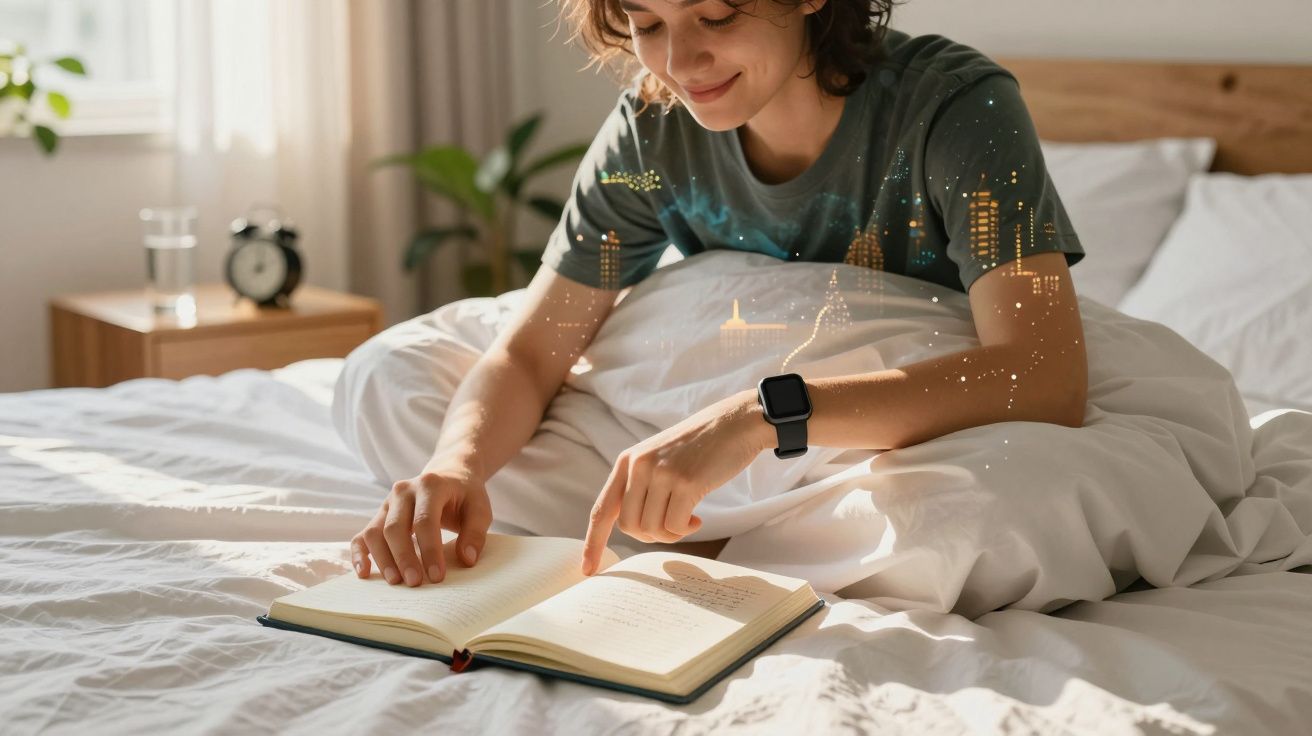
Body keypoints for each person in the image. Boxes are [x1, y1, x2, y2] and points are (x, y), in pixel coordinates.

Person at [348, 0, 1088, 587]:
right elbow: (533, 352)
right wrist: (456, 469)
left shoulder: (954, 110)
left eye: (715, 17)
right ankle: (744, 540)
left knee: (986, 506)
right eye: (646, 23)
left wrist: (758, 416)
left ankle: (719, 534)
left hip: (861, 434)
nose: (678, 62)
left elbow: (1043, 375)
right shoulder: (651, 133)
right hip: (734, 422)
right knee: (394, 380)